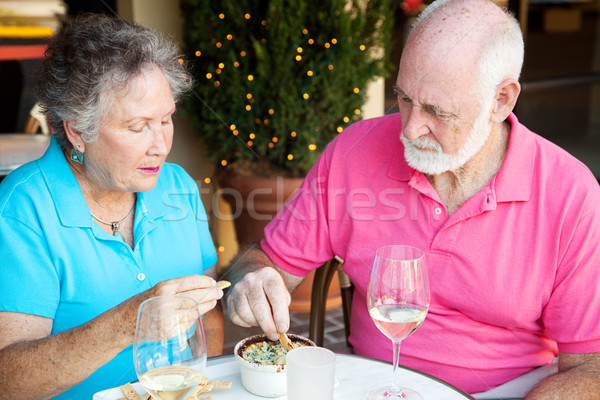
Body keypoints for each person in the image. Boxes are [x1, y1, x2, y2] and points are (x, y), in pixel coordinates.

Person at [225, 0, 600, 397]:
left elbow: (591, 366)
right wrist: (250, 281)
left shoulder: (571, 196)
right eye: (404, 98)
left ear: (501, 100)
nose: (410, 127)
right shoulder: (355, 151)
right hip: (371, 385)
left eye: (437, 111)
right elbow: (265, 261)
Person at [0, 14, 223, 400]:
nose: (161, 145)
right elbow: (9, 380)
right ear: (77, 131)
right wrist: (128, 322)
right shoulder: (22, 210)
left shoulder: (178, 186)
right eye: (138, 127)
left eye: (166, 119)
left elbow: (210, 318)